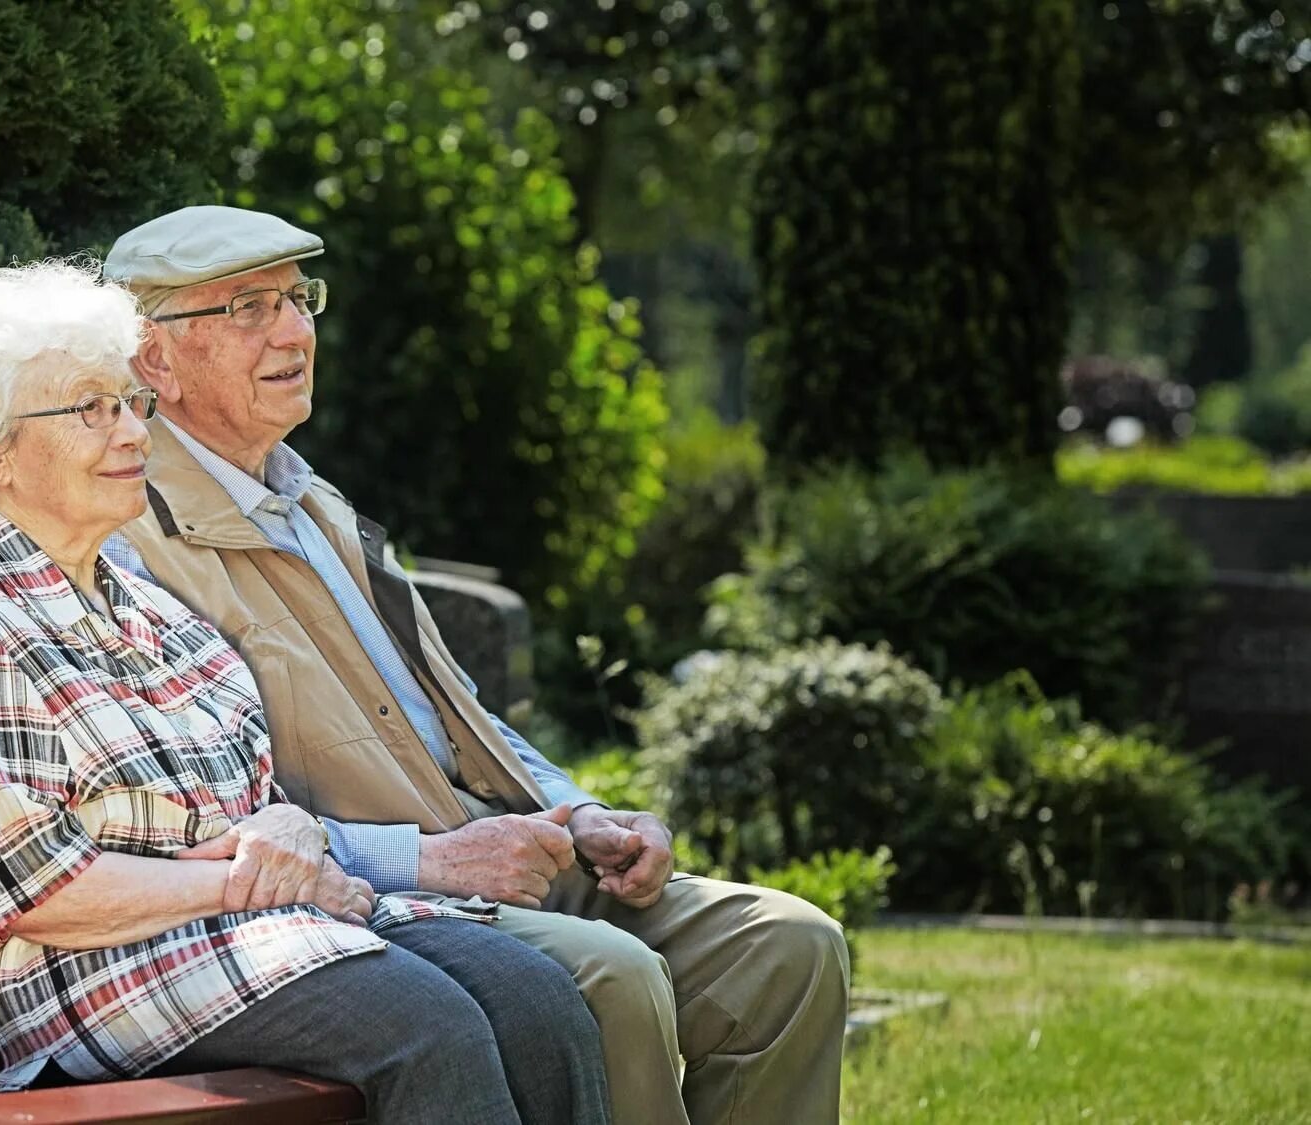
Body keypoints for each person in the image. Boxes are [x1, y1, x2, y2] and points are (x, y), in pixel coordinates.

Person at [103, 205, 854, 1125]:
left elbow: (456, 711)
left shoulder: (312, 500)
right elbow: (200, 819)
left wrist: (578, 812)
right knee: (613, 978)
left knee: (789, 946)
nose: (295, 331)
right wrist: (443, 859)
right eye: (249, 307)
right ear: (154, 359)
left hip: (506, 853)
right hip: (385, 899)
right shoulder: (129, 539)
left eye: (300, 300)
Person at [0, 259, 610, 1125]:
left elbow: (257, 805)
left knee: (537, 1000)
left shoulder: (149, 609)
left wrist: (286, 833)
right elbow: (38, 894)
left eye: (132, 403)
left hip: (240, 931)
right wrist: (254, 881)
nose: (135, 433)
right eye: (90, 409)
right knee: (427, 1027)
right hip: (55, 983)